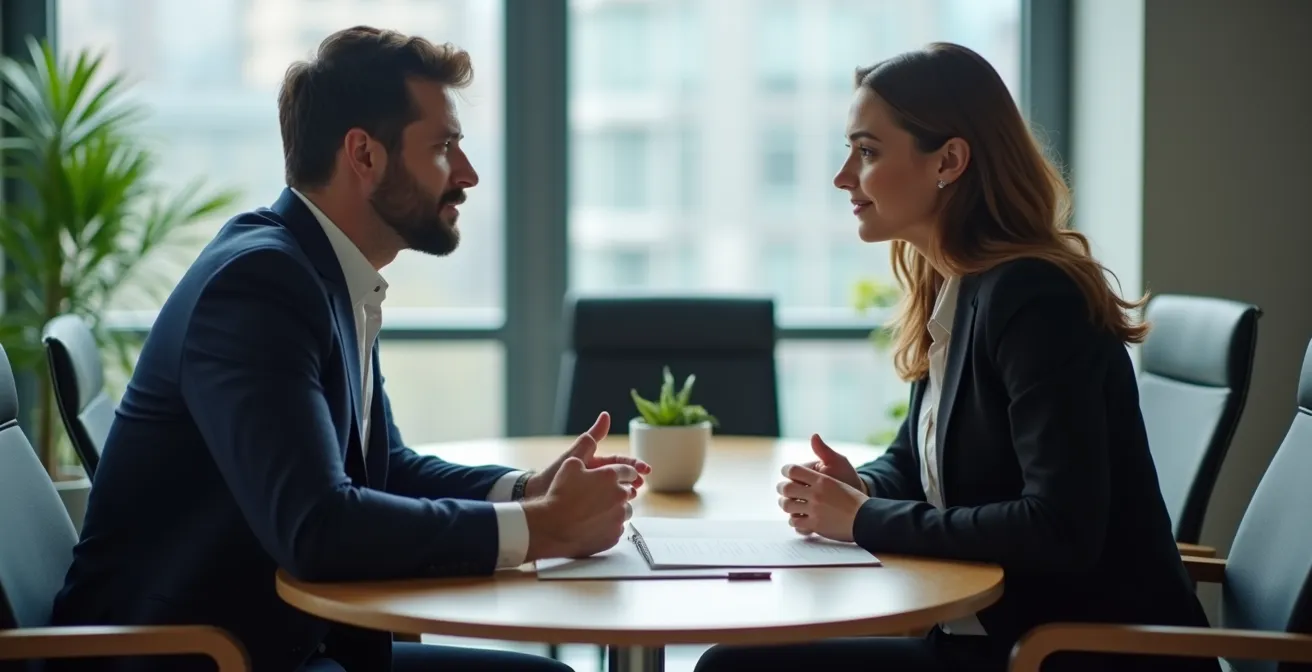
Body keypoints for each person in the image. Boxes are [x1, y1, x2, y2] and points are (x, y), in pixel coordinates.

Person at [50, 26, 649, 672]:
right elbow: (318, 529)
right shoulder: (258, 289)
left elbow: (382, 468)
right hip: (194, 660)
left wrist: (528, 490)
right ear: (363, 155)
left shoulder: (324, 272)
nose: (469, 174)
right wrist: (543, 529)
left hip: (273, 644)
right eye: (444, 147)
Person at [695, 43, 1218, 672]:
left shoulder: (1033, 298)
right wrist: (860, 486)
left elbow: (1057, 527)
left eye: (866, 151)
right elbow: (917, 463)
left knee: (736, 668)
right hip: (997, 638)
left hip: (1065, 654)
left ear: (949, 160)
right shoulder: (957, 285)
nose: (842, 177)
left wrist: (865, 520)